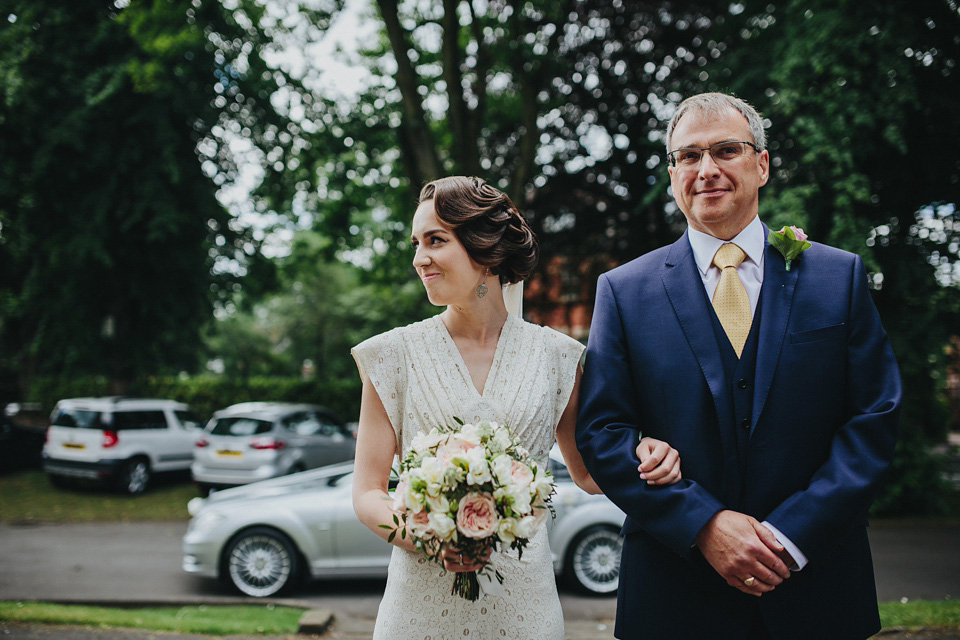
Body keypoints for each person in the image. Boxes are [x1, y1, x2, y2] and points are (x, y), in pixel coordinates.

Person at [575, 93, 902, 640]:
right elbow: (603, 432)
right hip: (676, 595)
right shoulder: (623, 292)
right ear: (674, 172)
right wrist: (703, 524)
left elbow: (874, 417)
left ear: (763, 164)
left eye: (726, 150)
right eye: (689, 156)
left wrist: (790, 536)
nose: (707, 170)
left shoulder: (836, 277)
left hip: (815, 588)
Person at [351, 176, 682, 640]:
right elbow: (367, 494)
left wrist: (645, 449)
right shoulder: (391, 356)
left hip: (525, 609)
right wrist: (430, 539)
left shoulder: (558, 357)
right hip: (417, 609)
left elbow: (588, 474)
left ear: (485, 249)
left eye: (435, 240)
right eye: (416, 242)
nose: (419, 257)